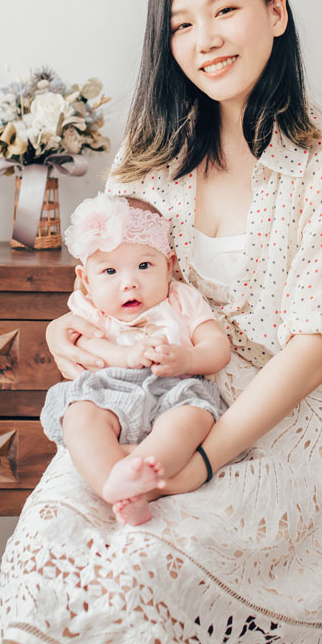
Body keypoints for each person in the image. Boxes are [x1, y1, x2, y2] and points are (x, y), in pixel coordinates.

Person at [0, 0, 322, 644]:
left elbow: (314, 349)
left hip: (264, 434)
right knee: (42, 556)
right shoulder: (146, 160)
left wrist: (200, 462)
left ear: (275, 12)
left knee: (143, 568)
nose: (203, 40)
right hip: (134, 418)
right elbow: (106, 290)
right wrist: (61, 331)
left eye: (224, 10)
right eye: (179, 25)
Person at [40, 192, 230, 526]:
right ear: (86, 280)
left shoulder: (181, 299)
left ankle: (141, 474)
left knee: (193, 419)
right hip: (109, 391)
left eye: (144, 266)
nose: (129, 283)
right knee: (79, 414)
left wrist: (188, 359)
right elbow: (86, 344)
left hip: (174, 391)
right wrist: (126, 355)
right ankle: (113, 486)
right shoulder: (90, 308)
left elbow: (217, 347)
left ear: (168, 266)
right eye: (110, 271)